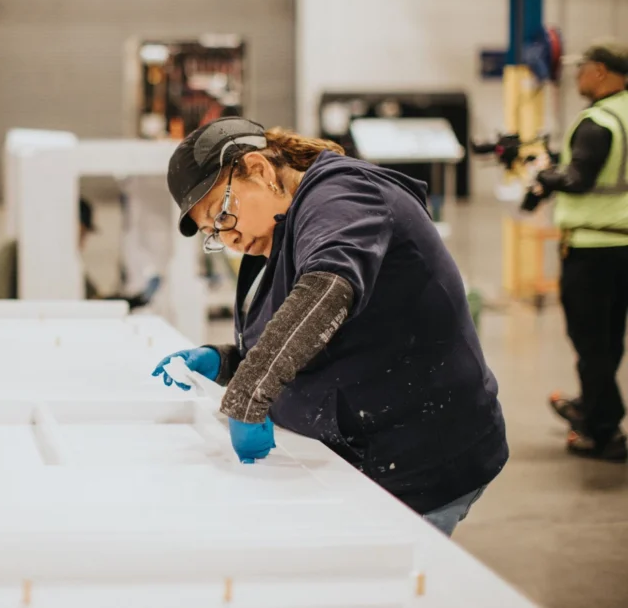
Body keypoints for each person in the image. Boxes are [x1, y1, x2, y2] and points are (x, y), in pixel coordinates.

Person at [151, 117, 508, 537]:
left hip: (419, 460)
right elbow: (307, 337)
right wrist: (227, 362)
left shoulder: (343, 195)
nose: (226, 238)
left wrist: (249, 392)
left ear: (261, 170)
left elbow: (326, 292)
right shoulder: (282, 229)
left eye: (222, 214)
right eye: (213, 232)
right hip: (363, 455)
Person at [526, 41, 628, 461]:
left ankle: (603, 430)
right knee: (609, 339)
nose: (577, 76)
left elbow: (580, 178)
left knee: (589, 342)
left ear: (600, 71)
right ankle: (592, 405)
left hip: (590, 247)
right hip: (621, 241)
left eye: (582, 69)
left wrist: (545, 175)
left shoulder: (597, 121)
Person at [0, 198, 101, 300]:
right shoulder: (14, 252)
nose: (82, 244)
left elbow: (95, 299)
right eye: (81, 235)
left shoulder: (66, 263)